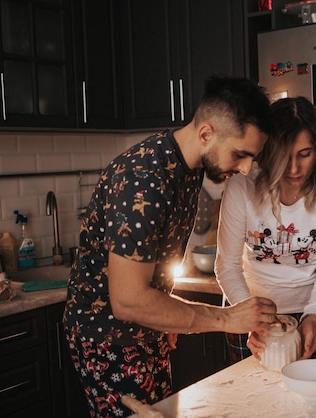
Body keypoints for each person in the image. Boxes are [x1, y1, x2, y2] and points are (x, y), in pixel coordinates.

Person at [63, 75, 277, 417]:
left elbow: (156, 266)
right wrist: (225, 318)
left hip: (146, 330)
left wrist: (166, 321)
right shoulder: (143, 181)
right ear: (206, 133)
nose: (247, 168)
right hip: (109, 339)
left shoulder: (187, 167)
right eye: (240, 154)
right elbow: (129, 300)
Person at [215, 96, 316, 363]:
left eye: (305, 154)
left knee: (312, 403)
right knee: (249, 400)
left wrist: (313, 318)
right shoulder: (241, 187)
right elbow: (227, 266)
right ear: (268, 152)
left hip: (310, 313)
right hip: (246, 309)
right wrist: (250, 318)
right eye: (284, 157)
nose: (294, 168)